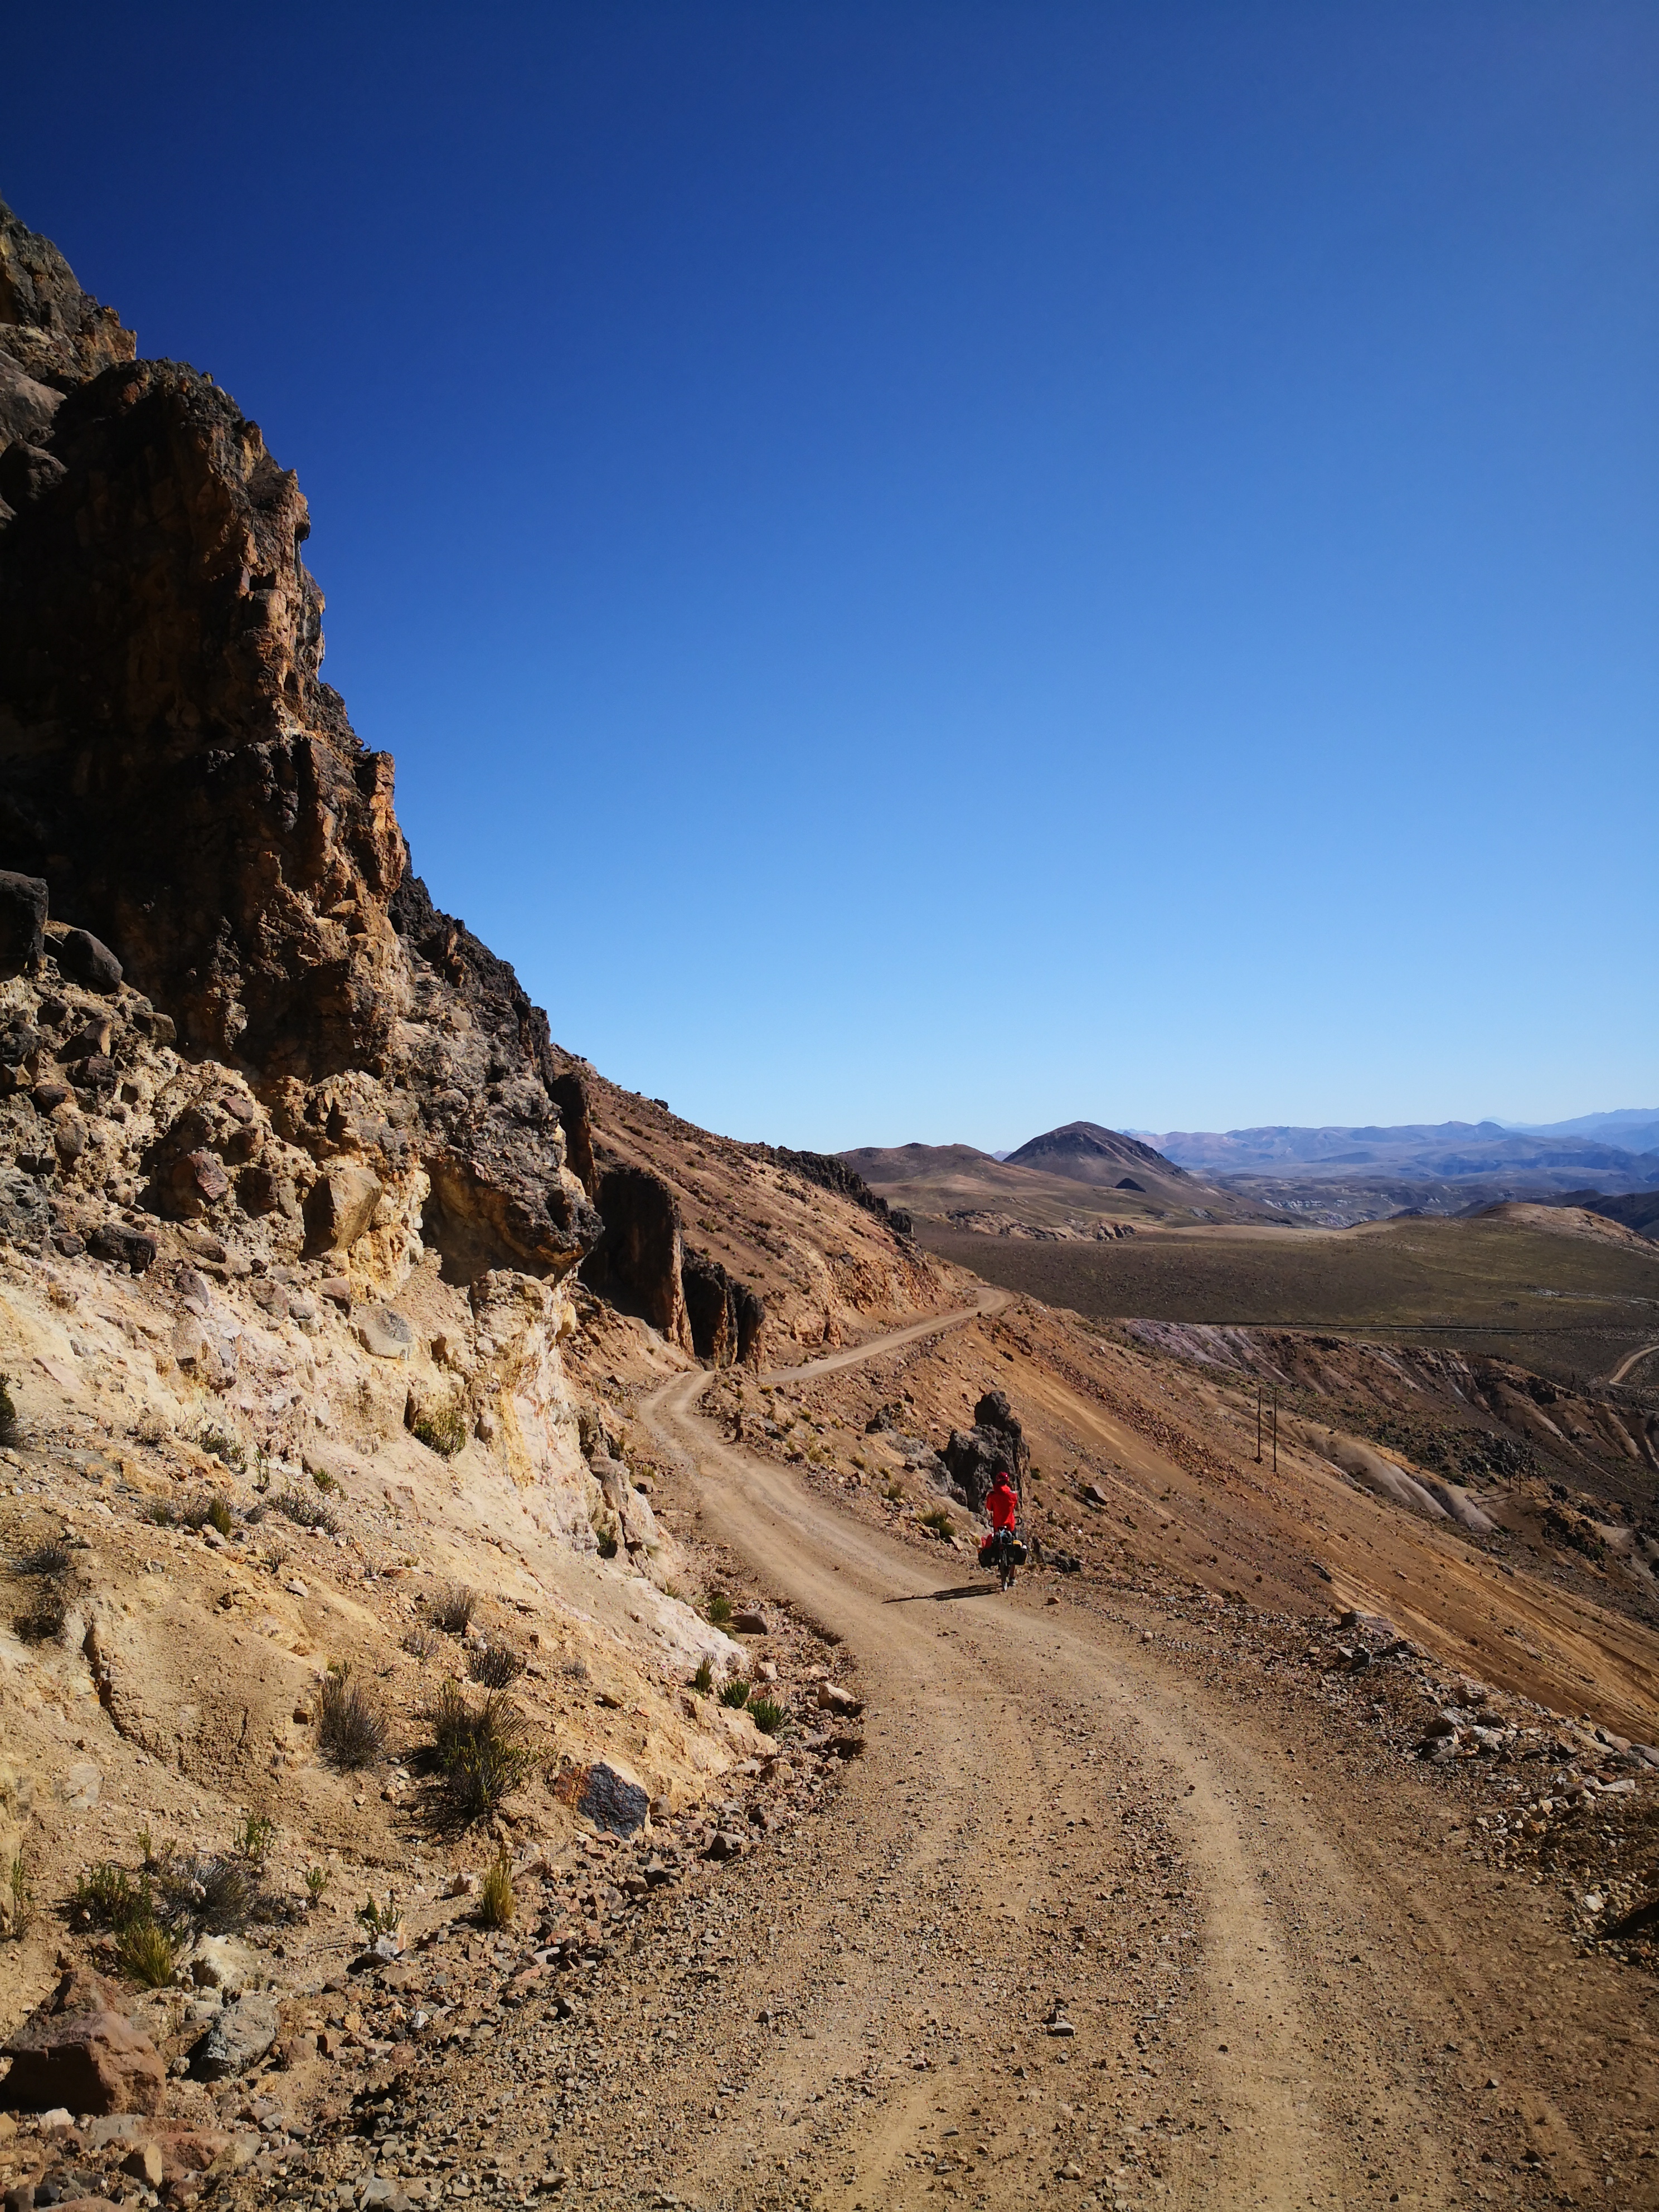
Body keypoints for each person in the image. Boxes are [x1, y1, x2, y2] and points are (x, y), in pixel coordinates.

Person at [985, 1469, 1021, 1589]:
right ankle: (1012, 1577)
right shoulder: (1013, 1495)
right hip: (1010, 1526)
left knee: (996, 1545)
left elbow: (989, 1508)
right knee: (1014, 1547)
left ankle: (999, 1564)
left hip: (997, 1526)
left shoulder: (992, 1495)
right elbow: (1014, 1505)